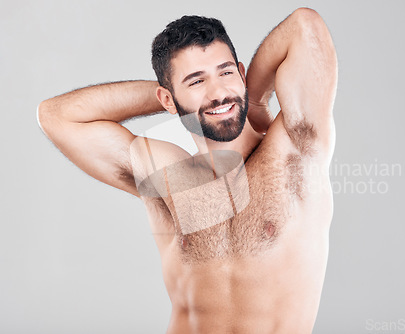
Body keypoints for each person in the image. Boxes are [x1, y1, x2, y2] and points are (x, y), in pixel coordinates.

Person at [37, 7, 337, 334]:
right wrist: (178, 100)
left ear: (240, 73)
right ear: (167, 99)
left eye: (225, 73)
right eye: (196, 81)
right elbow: (57, 116)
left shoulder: (295, 148)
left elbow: (305, 26)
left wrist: (257, 98)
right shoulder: (168, 177)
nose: (219, 93)